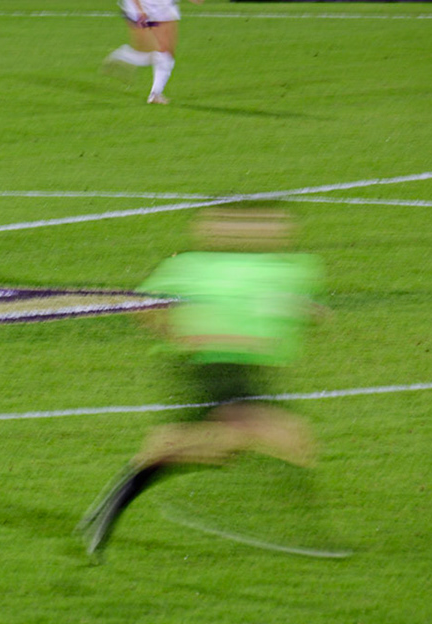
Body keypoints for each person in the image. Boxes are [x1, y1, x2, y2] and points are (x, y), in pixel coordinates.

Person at [76, 207, 325, 560]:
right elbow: (142, 306)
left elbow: (283, 304)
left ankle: (107, 510)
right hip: (215, 366)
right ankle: (309, 537)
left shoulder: (285, 268)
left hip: (245, 368)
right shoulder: (192, 266)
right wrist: (182, 335)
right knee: (287, 437)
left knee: (206, 447)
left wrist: (303, 310)